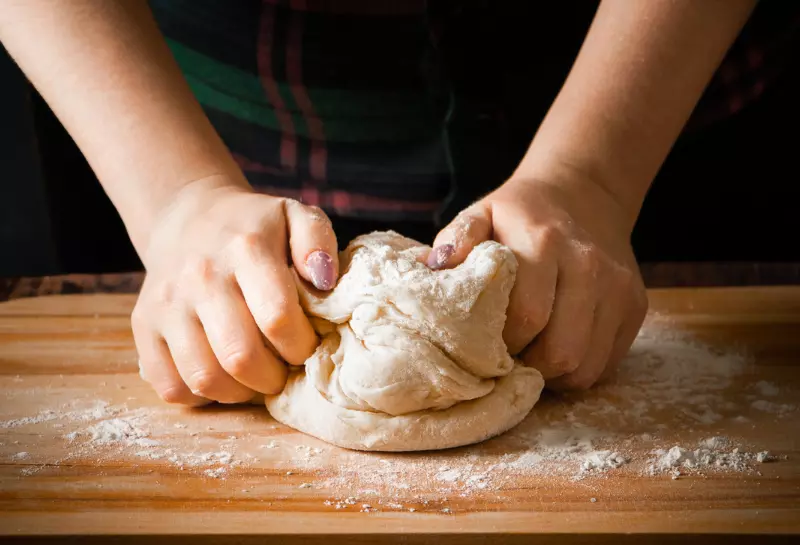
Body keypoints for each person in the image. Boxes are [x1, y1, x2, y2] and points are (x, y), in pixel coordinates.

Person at [0, 0, 773, 406]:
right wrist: (178, 197)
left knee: (583, 327)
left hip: (651, 91)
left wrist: (598, 176)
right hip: (198, 96)